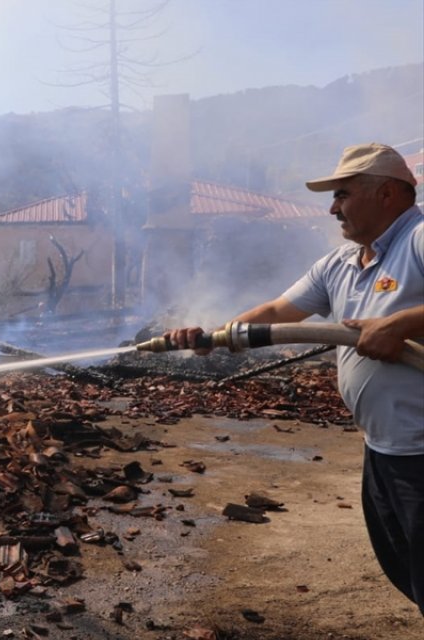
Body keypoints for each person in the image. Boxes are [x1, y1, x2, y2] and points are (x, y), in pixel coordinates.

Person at [166, 142, 424, 614]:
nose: (332, 208)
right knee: (406, 570)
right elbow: (276, 313)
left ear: (387, 194)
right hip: (384, 451)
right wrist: (213, 336)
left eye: (342, 194)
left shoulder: (418, 239)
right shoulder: (343, 264)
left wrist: (402, 324)